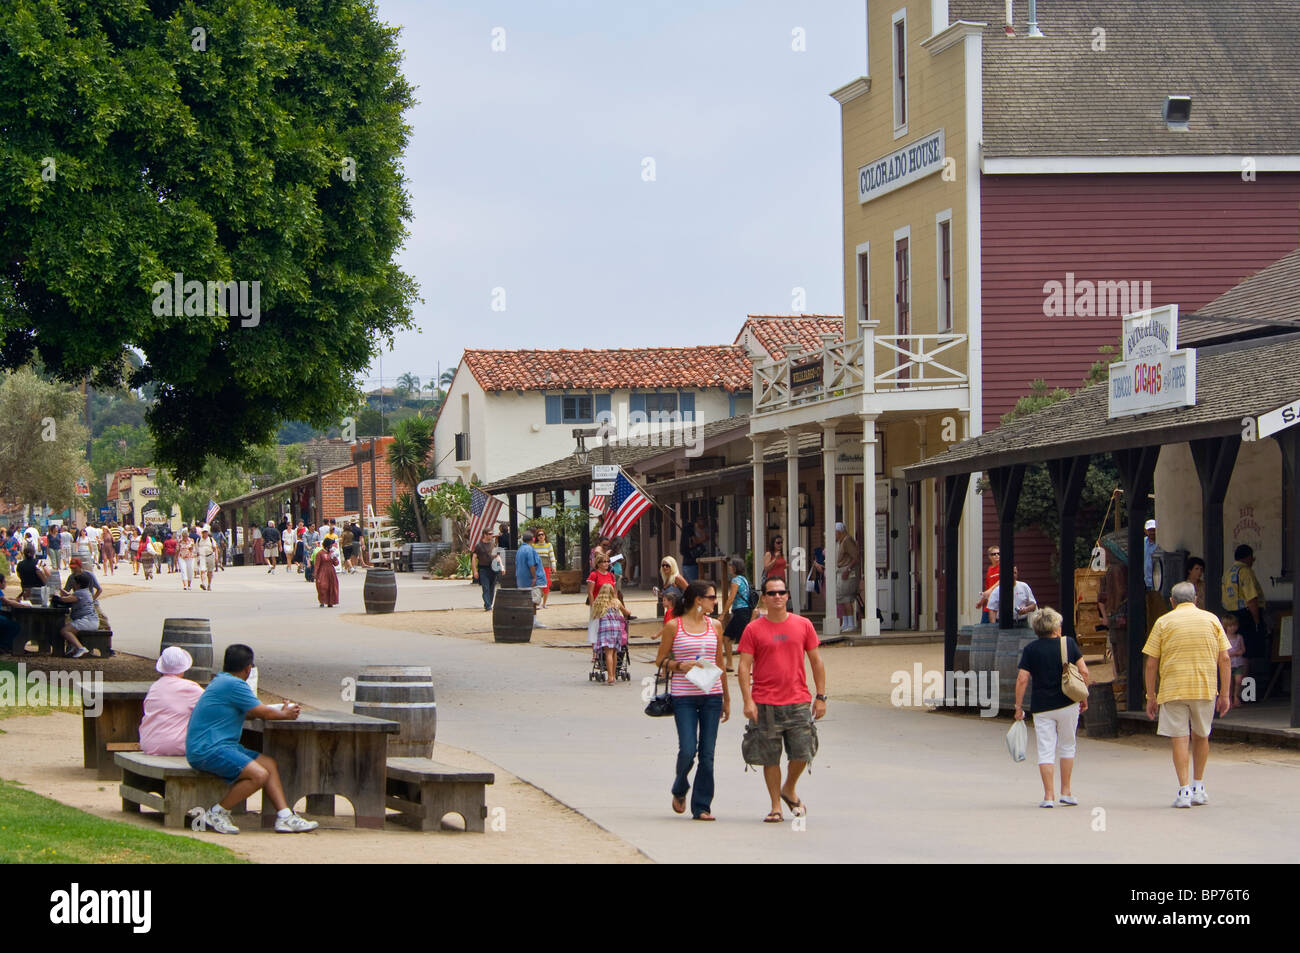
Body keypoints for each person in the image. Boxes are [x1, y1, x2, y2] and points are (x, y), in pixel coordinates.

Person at [185, 643, 318, 833]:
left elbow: (249, 711)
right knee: (259, 775)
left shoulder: (221, 680)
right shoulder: (234, 684)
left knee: (268, 765)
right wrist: (285, 714)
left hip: (219, 746)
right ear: (248, 669)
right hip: (209, 749)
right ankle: (216, 813)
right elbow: (261, 712)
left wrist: (277, 711)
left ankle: (285, 816)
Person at [738, 575, 826, 822]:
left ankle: (789, 787)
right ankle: (776, 805)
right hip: (765, 702)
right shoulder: (753, 629)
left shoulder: (803, 625)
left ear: (788, 596)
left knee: (803, 752)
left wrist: (821, 697)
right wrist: (748, 700)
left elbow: (816, 661)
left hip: (798, 700)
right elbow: (744, 667)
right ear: (764, 598)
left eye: (781, 592)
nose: (777, 597)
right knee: (770, 755)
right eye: (772, 593)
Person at [1143, 581, 1232, 808]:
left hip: (1173, 689)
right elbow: (1225, 658)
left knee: (1180, 739)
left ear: (1171, 601)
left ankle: (1183, 791)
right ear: (1195, 599)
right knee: (1202, 735)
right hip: (1204, 687)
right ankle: (1199, 786)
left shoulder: (1163, 622)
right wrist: (1225, 694)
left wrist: (1150, 696)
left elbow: (1152, 662)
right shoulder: (1212, 620)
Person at [654, 580, 730, 820]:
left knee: (708, 753)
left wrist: (727, 698)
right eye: (711, 597)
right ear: (698, 600)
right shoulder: (674, 626)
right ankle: (680, 786)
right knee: (688, 749)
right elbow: (660, 660)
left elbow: (720, 664)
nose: (714, 601)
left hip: (712, 695)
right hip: (684, 696)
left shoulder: (715, 626)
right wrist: (679, 665)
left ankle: (702, 806)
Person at [1014, 607, 1089, 807]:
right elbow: (1084, 671)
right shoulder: (1069, 644)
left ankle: (1048, 796)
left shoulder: (1031, 650)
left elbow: (1022, 679)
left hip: (1042, 706)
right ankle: (1066, 791)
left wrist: (1018, 706)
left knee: (1046, 749)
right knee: (1067, 744)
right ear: (1056, 627)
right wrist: (1083, 695)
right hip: (1068, 702)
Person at [139, 646, 205, 756]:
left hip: (148, 744)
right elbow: (212, 705)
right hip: (174, 746)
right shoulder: (189, 688)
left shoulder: (155, 687)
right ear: (184, 668)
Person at [1222, 543, 1266, 679]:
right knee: (1247, 653)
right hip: (1246, 615)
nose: (1253, 561)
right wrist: (1257, 620)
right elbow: (1251, 598)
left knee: (1234, 652)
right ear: (1248, 557)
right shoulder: (1245, 571)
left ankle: (1234, 693)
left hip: (1231, 615)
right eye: (1252, 558)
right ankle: (1246, 692)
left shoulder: (1228, 572)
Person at [721, 556, 754, 673]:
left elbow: (731, 598)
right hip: (745, 611)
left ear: (734, 567)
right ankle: (729, 664)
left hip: (740, 612)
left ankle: (749, 666)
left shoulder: (735, 581)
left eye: (730, 565)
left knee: (742, 640)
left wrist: (723, 613)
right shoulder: (744, 579)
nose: (729, 567)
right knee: (728, 638)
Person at [590, 583, 627, 685]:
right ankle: (614, 675)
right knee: (614, 652)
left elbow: (595, 616)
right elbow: (626, 612)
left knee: (608, 653)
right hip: (616, 630)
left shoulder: (599, 603)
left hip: (605, 630)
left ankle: (610, 676)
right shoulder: (616, 602)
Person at [52, 573, 96, 658]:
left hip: (87, 621)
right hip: (89, 620)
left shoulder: (80, 593)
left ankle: (81, 648)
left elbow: (64, 600)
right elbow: (71, 596)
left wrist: (56, 597)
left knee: (65, 631)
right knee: (68, 626)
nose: (73, 584)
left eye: (74, 583)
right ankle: (74, 647)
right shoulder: (85, 592)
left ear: (78, 584)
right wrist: (62, 591)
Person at [834, 522, 860, 632]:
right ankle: (845, 623)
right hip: (840, 571)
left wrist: (848, 570)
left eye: (835, 532)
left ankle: (851, 623)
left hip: (847, 572)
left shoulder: (847, 541)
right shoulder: (840, 542)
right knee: (841, 598)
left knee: (846, 598)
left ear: (839, 532)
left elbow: (856, 557)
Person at [516, 530, 545, 620]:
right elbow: (531, 564)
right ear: (532, 539)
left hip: (522, 579)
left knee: (531, 600)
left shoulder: (520, 549)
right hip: (530, 579)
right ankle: (533, 620)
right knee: (534, 600)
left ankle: (532, 619)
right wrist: (534, 577)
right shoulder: (529, 549)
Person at [1223, 614, 1248, 708]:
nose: (1232, 628)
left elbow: (1243, 649)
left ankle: (1236, 696)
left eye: (1234, 625)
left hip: (1238, 663)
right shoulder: (1223, 637)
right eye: (1230, 626)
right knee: (1229, 683)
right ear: (1225, 627)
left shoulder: (1239, 637)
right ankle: (1229, 698)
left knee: (1238, 680)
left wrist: (1240, 652)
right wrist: (1232, 654)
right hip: (1228, 664)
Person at [471, 530, 498, 611]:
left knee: (492, 588)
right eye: (489, 534)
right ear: (484, 535)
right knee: (485, 587)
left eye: (492, 534)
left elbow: (497, 556)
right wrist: (475, 571)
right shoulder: (479, 546)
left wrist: (500, 567)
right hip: (483, 569)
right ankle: (487, 605)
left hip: (493, 569)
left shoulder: (493, 544)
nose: (491, 535)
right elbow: (474, 558)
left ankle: (489, 603)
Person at [975, 545, 1001, 623]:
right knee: (984, 628)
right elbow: (987, 589)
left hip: (998, 605)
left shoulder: (1002, 567)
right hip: (988, 606)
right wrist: (981, 602)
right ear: (989, 556)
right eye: (994, 554)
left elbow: (1000, 582)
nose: (997, 555)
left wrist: (989, 590)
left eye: (998, 553)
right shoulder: (990, 569)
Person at [314, 537, 340, 608]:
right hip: (323, 572)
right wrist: (315, 574)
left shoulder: (332, 553)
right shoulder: (320, 553)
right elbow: (317, 564)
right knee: (323, 586)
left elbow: (336, 563)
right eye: (330, 545)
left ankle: (330, 601)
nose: (331, 546)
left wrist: (334, 558)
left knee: (332, 586)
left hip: (331, 572)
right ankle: (322, 601)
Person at [532, 528, 555, 607]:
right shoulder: (533, 546)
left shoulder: (549, 545)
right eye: (539, 535)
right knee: (537, 585)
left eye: (542, 534)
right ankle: (537, 602)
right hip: (536, 568)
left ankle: (544, 603)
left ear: (545, 536)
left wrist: (553, 566)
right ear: (537, 537)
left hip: (546, 567)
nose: (541, 536)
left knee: (546, 584)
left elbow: (552, 556)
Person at [196, 526, 219, 591]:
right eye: (203, 532)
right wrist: (197, 558)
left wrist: (216, 556)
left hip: (210, 555)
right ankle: (203, 583)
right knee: (202, 570)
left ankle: (209, 584)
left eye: (205, 532)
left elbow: (215, 548)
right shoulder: (199, 540)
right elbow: (197, 550)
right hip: (202, 556)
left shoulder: (211, 540)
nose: (204, 534)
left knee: (210, 571)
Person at [1143, 518, 1158, 590]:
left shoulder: (1159, 543)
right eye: (1150, 530)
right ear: (1145, 531)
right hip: (1145, 581)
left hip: (1157, 581)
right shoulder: (1143, 542)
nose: (1152, 532)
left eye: (1153, 530)